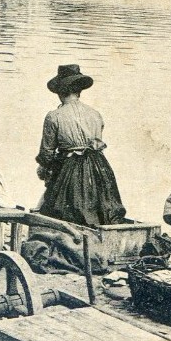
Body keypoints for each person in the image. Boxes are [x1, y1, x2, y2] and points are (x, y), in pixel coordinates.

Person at [35, 64, 126, 227]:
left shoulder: (53, 116)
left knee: (60, 208)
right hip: (99, 167)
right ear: (79, 91)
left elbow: (47, 153)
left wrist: (46, 170)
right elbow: (97, 141)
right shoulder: (95, 114)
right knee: (103, 206)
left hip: (69, 168)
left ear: (60, 92)